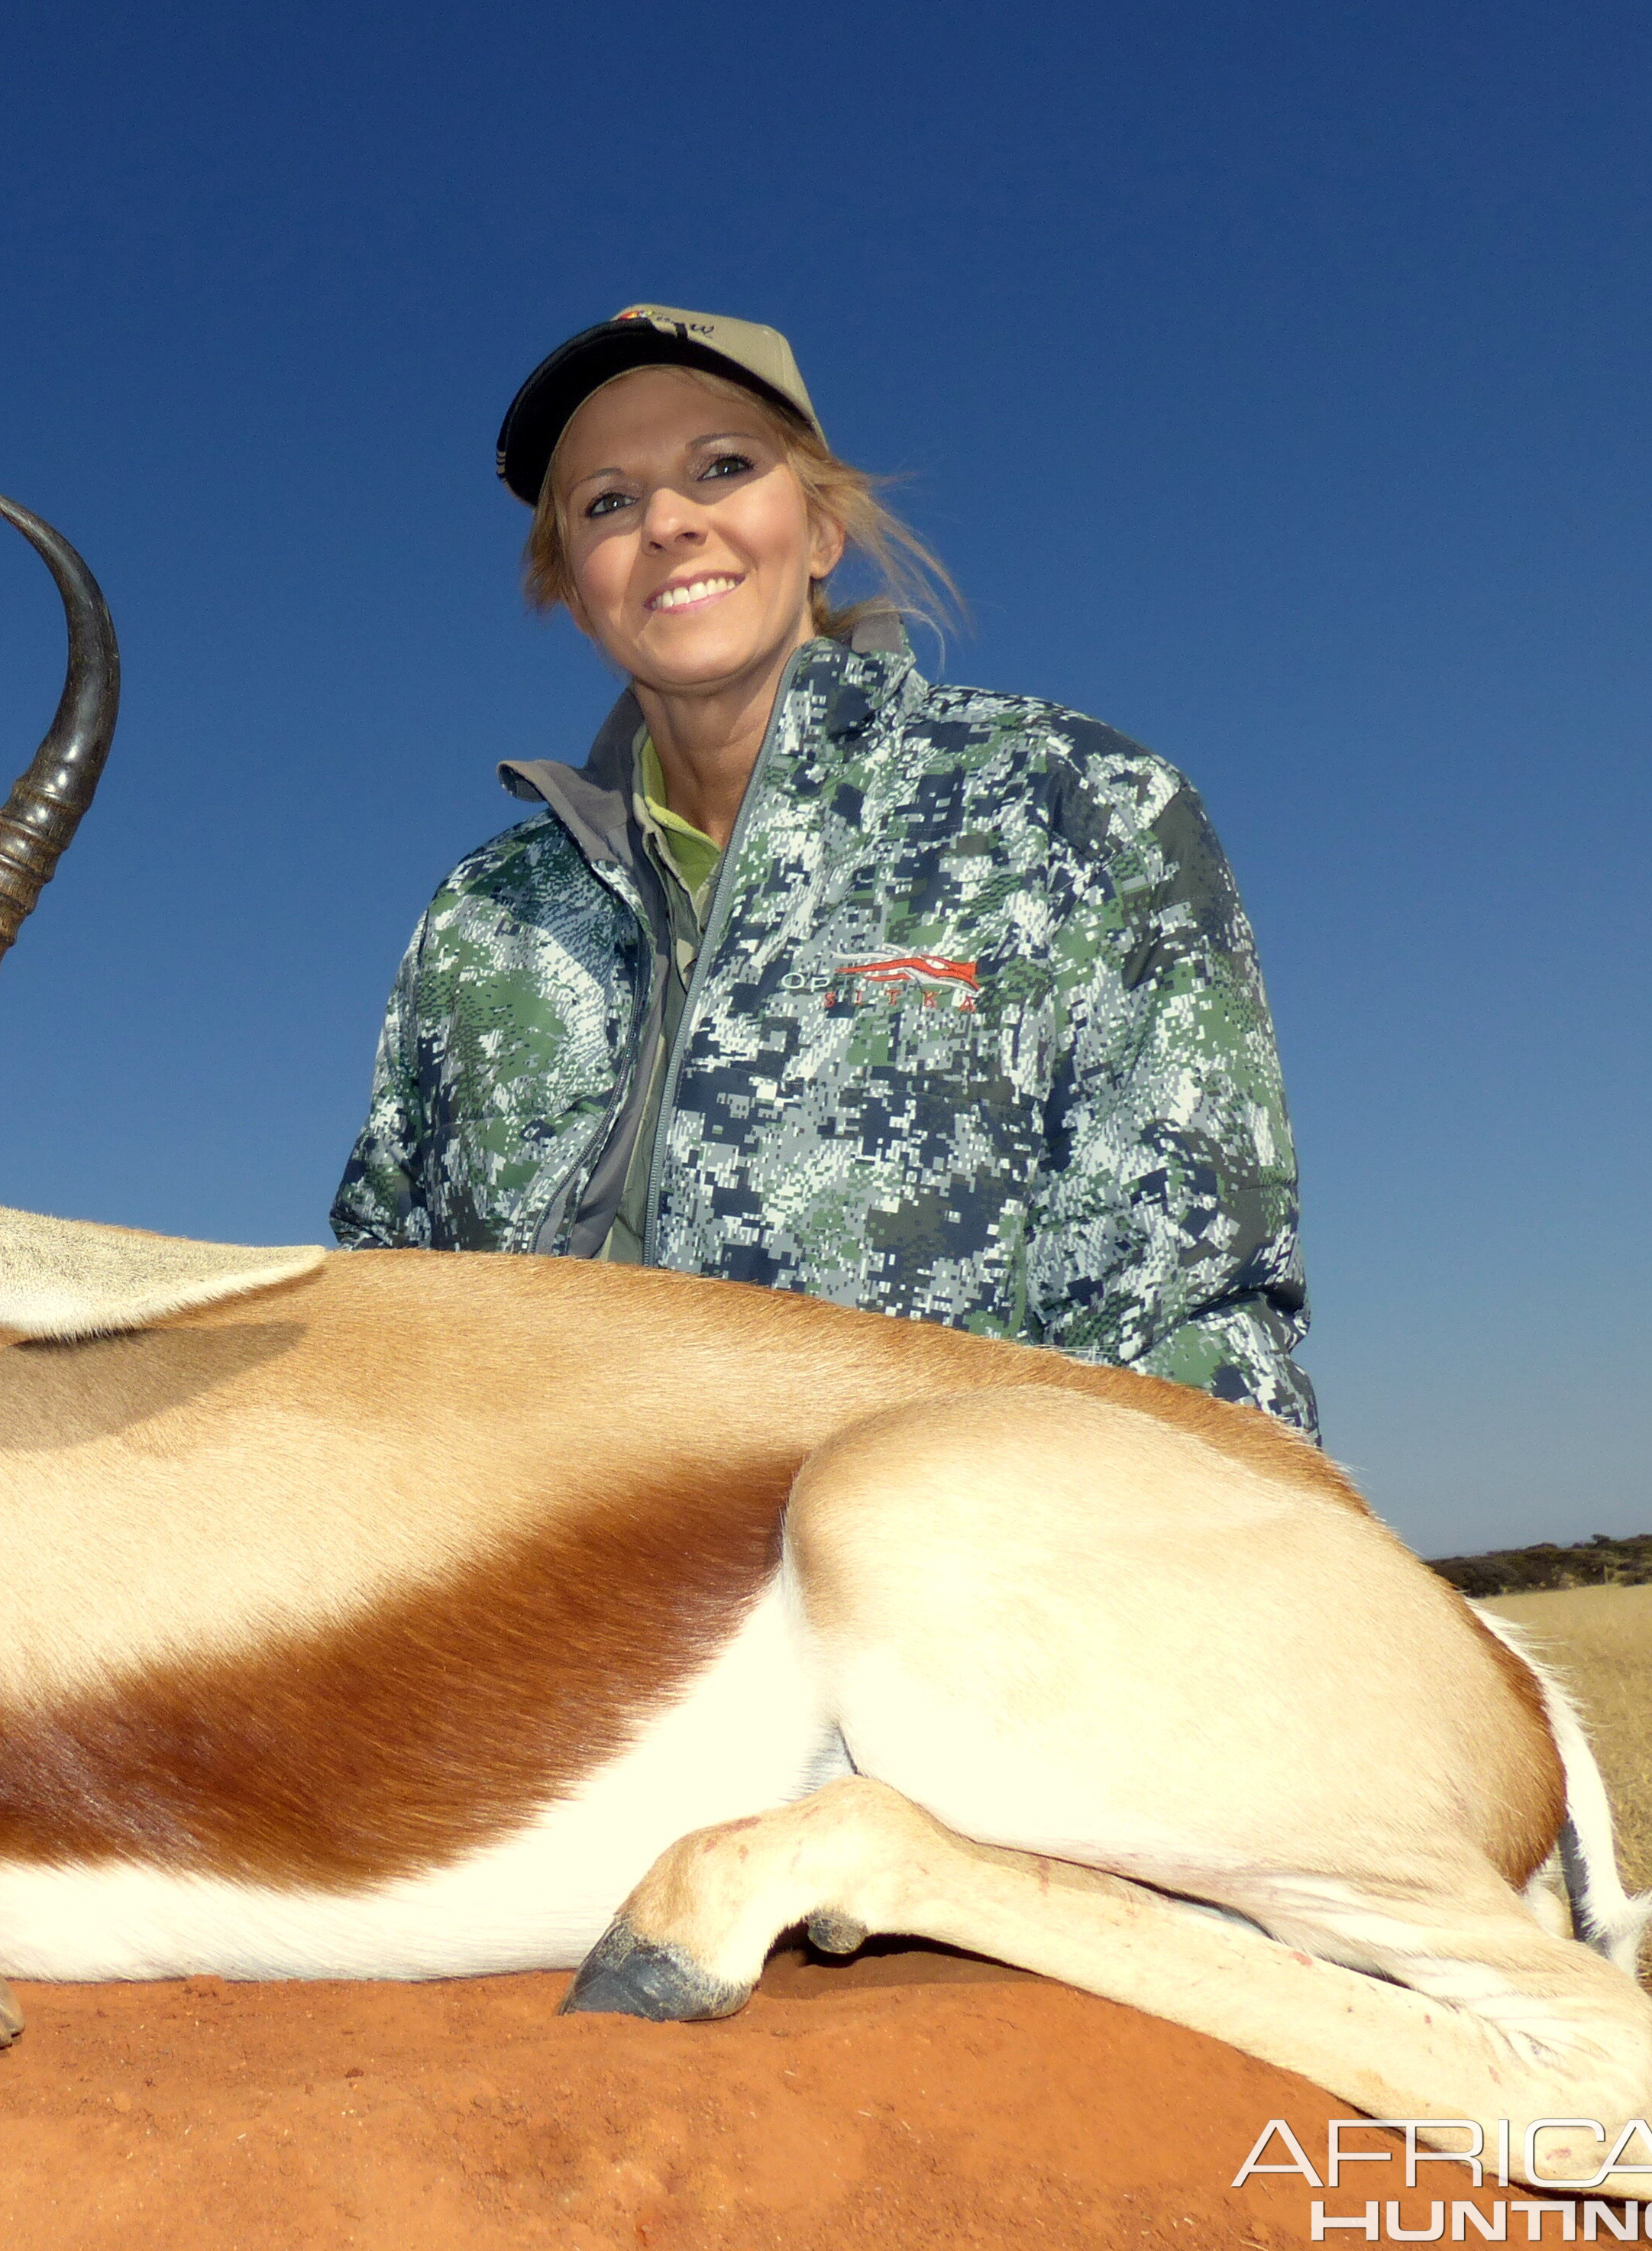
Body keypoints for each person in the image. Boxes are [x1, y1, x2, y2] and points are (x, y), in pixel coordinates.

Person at [331, 304, 1317, 1437]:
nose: (667, 523)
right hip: (560, 1600)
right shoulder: (481, 918)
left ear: (821, 529)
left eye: (722, 467)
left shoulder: (1072, 802)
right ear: (570, 585)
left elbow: (1198, 1318)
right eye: (607, 501)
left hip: (968, 1586)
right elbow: (383, 1319)